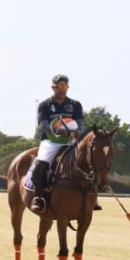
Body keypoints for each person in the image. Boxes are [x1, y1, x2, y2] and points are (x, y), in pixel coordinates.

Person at [30, 73, 85, 214]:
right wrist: (60, 132)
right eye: (59, 86)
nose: (62, 89)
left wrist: (77, 132)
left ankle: (91, 196)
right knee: (41, 164)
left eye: (64, 86)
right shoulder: (45, 105)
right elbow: (43, 126)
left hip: (70, 141)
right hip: (50, 141)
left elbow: (80, 124)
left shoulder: (75, 105)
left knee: (86, 161)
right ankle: (38, 197)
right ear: (53, 87)